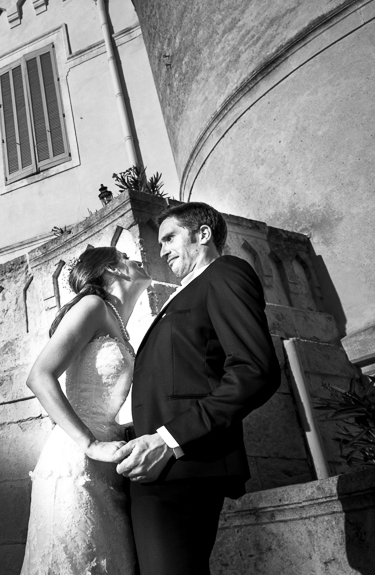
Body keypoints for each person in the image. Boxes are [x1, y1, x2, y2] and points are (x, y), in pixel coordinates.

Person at [113, 202, 281, 575]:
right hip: (153, 464)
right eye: (160, 243)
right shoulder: (188, 291)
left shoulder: (226, 272)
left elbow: (255, 370)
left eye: (170, 237)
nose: (162, 250)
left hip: (183, 460)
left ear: (203, 235)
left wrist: (169, 439)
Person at [20, 246, 151, 575]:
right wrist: (90, 444)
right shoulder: (93, 305)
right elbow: (39, 376)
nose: (139, 260)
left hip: (109, 464)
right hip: (76, 461)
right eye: (128, 257)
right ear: (114, 269)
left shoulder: (117, 322)